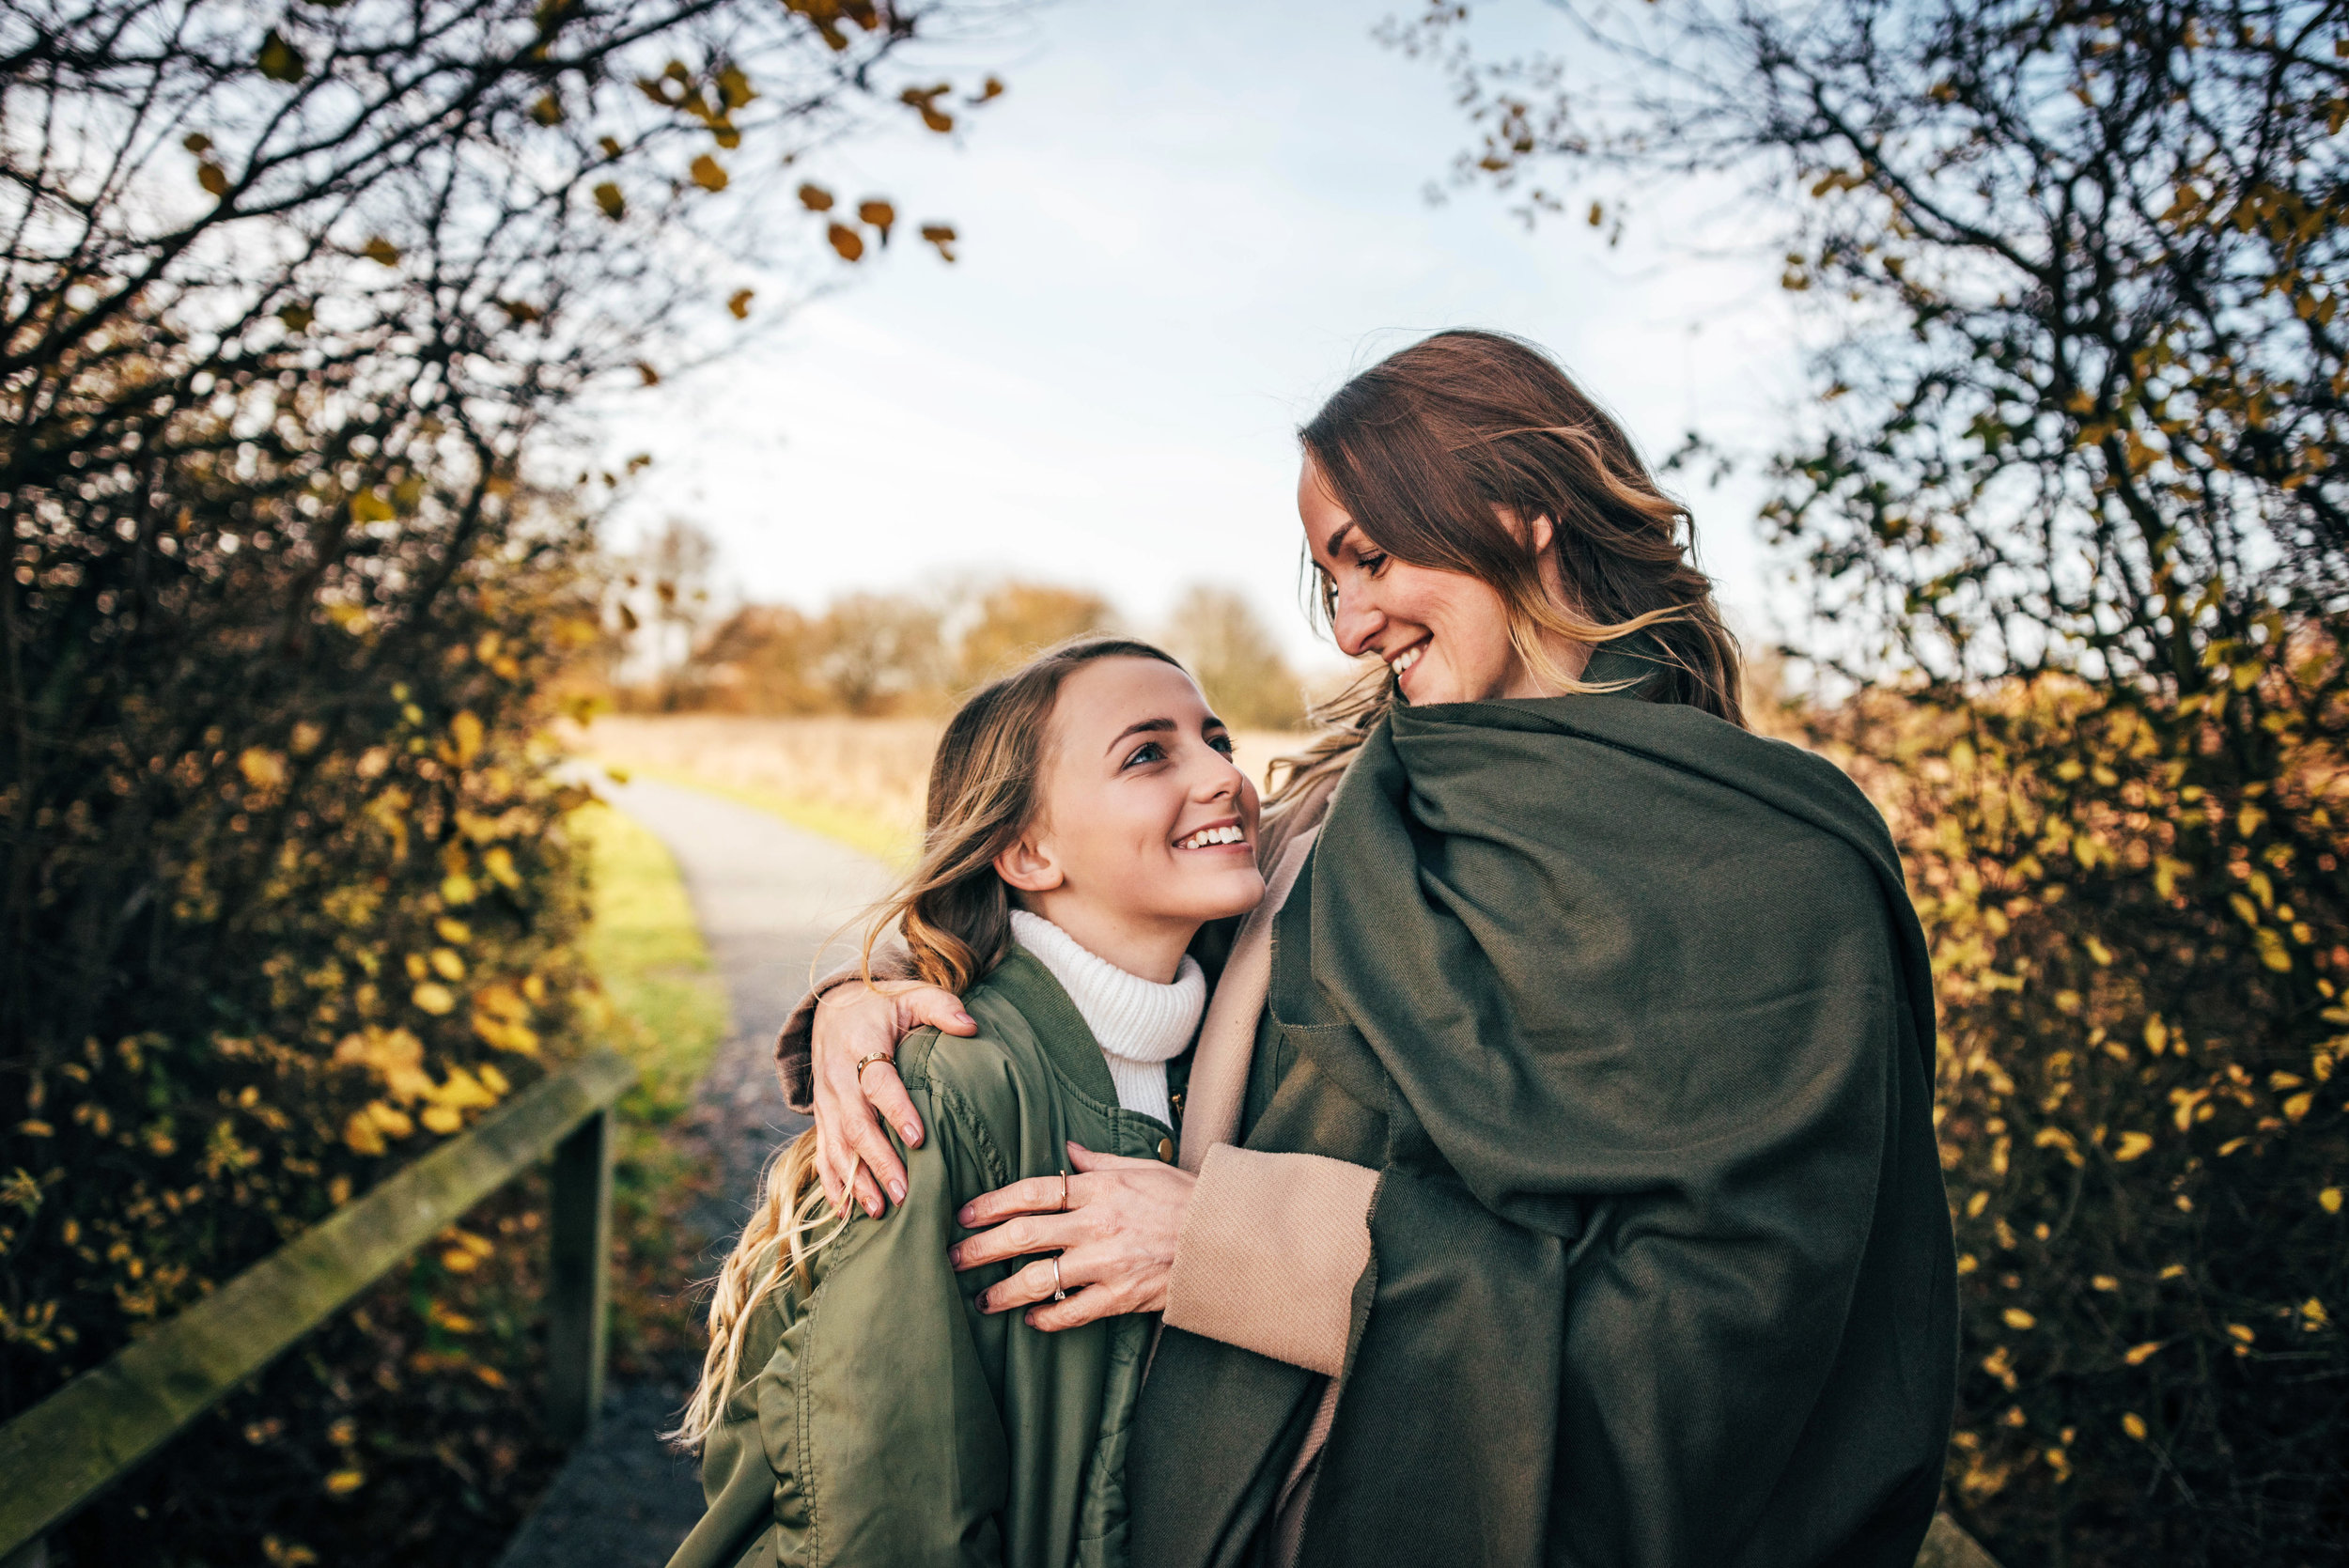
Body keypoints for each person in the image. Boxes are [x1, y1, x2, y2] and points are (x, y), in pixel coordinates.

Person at [783, 330, 1959, 1568]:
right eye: (1327, 580)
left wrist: (1229, 1244)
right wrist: (878, 1002)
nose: (1349, 627)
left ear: (1519, 510)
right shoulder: (1345, 812)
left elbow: (1733, 1347)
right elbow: (1109, 944)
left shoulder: (1776, 863)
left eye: (1371, 559)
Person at [663, 637, 1268, 1568]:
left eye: (1213, 737)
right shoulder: (935, 1096)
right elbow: (879, 1521)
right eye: (1149, 751)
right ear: (1027, 850)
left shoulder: (1232, 1054)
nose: (1222, 774)